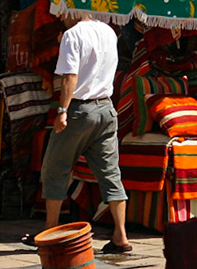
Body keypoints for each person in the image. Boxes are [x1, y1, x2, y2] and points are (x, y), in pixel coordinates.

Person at [35, 18, 129, 256]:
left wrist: (62, 111)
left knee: (55, 169)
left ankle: (50, 232)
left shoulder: (72, 35)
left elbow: (69, 77)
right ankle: (121, 236)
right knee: (110, 174)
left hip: (79, 110)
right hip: (106, 109)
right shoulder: (108, 31)